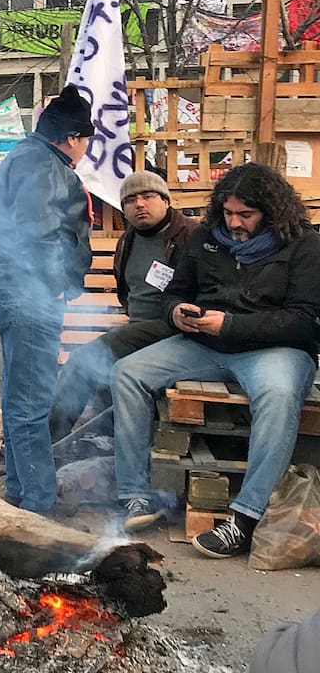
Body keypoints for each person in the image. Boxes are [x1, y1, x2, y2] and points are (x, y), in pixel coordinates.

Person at [112, 163, 320, 558]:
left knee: (278, 395)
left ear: (272, 212)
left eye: (246, 215)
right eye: (228, 213)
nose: (235, 223)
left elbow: (305, 320)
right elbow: (175, 291)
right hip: (205, 342)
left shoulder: (305, 245)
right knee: (127, 373)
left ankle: (244, 519)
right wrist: (176, 312)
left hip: (276, 349)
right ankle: (136, 496)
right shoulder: (207, 236)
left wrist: (231, 325)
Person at [0, 85, 93, 514]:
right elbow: (39, 230)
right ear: (71, 137)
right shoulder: (43, 163)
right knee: (31, 404)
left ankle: (21, 490)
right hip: (32, 294)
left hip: (19, 291)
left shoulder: (25, 156)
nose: (85, 149)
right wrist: (55, 285)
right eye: (85, 140)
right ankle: (38, 503)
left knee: (19, 400)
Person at [49, 171, 197, 443]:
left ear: (165, 200)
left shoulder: (191, 235)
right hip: (138, 328)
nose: (139, 204)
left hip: (175, 329)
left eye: (148, 196)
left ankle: (47, 442)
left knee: (83, 361)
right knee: (105, 369)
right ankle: (106, 442)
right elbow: (126, 292)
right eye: (130, 200)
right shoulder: (128, 239)